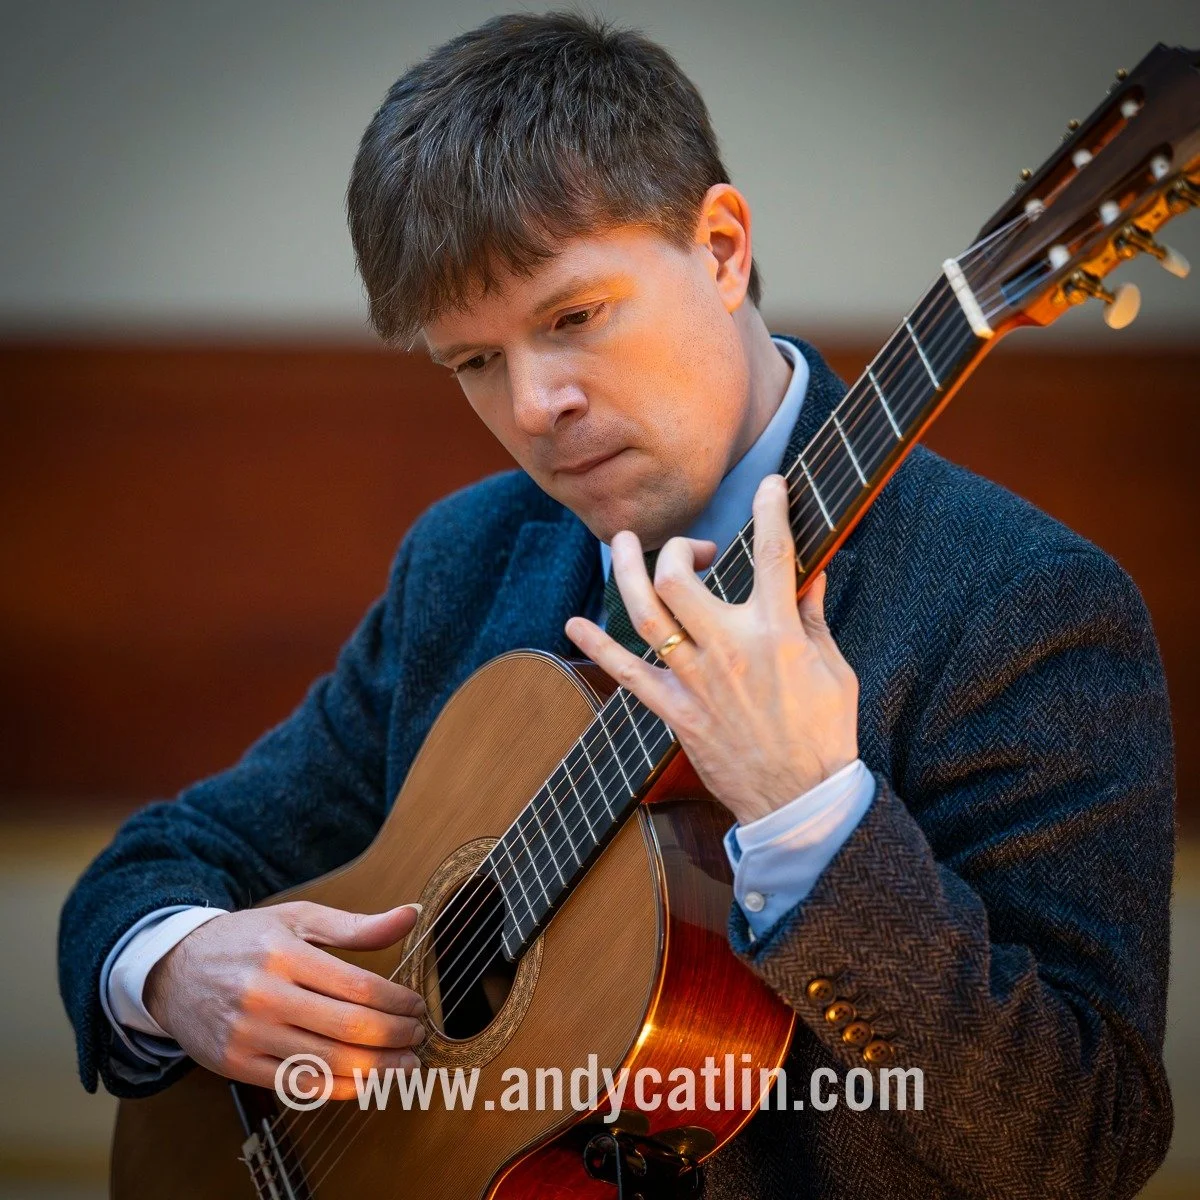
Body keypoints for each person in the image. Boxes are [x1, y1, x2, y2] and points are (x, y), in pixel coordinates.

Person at [58, 12, 1175, 1198]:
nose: (533, 406)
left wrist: (813, 818)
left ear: (723, 248)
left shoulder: (1025, 606)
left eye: (573, 318)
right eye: (474, 362)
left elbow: (1084, 1146)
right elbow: (167, 859)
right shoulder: (469, 558)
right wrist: (174, 967)